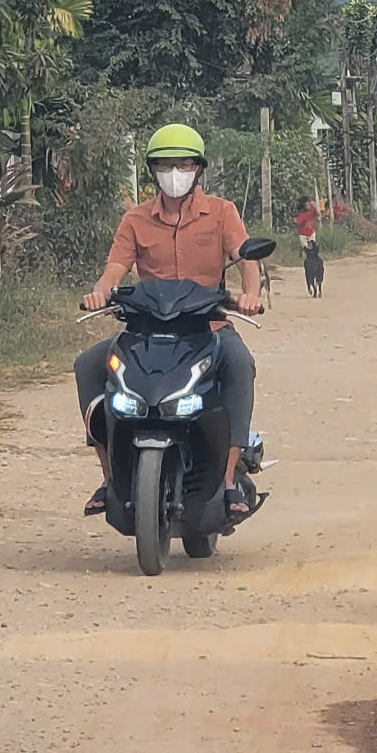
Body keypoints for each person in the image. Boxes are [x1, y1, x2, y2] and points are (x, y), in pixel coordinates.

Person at [75, 124, 265, 522]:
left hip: (207, 328)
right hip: (147, 332)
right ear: (152, 170)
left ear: (198, 169)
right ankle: (110, 478)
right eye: (165, 165)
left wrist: (251, 296)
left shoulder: (221, 212)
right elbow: (115, 268)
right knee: (89, 366)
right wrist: (101, 291)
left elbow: (246, 256)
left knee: (240, 366)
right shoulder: (136, 219)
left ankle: (228, 481)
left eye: (183, 164)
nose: (174, 173)